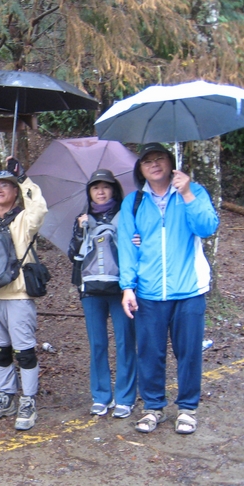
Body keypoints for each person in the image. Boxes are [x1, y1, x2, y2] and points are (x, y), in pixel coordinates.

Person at [118, 143, 219, 435]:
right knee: (149, 352)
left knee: (188, 352)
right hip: (149, 291)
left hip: (188, 289)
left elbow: (207, 227)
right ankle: (153, 407)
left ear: (170, 162)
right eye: (147, 161)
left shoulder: (193, 192)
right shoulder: (133, 202)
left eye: (159, 158)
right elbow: (127, 246)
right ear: (140, 169)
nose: (154, 164)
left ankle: (187, 408)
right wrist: (128, 287)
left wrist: (187, 193)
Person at [0, 157, 48, 431]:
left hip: (18, 296)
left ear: (14, 191)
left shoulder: (24, 220)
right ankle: (5, 396)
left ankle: (28, 400)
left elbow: (39, 209)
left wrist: (23, 178)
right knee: (0, 351)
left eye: (4, 185)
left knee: (25, 352)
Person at [67, 169, 137, 419]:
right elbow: (72, 255)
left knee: (125, 341)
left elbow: (136, 245)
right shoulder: (82, 218)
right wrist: (79, 231)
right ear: (89, 192)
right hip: (91, 290)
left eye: (105, 186)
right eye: (95, 187)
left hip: (121, 288)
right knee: (97, 343)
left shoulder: (126, 215)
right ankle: (101, 395)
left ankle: (126, 396)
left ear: (114, 190)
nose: (100, 191)